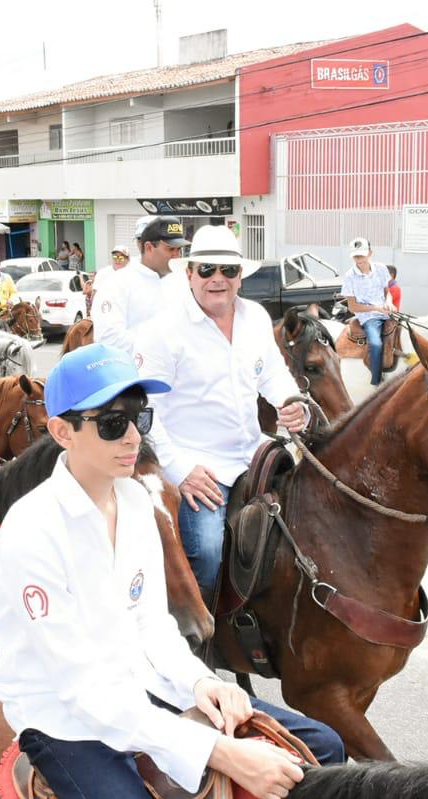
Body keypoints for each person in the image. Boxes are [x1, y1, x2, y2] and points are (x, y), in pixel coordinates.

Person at [0, 343, 341, 799]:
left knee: (325, 747)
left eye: (140, 417)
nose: (134, 437)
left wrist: (203, 683)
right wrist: (220, 752)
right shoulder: (31, 531)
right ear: (61, 431)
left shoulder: (135, 502)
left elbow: (152, 625)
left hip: (144, 686)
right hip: (65, 716)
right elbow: (81, 689)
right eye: (113, 424)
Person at [134, 225, 309, 599]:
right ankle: (195, 642)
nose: (218, 279)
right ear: (189, 274)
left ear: (240, 276)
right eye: (207, 270)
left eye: (228, 271)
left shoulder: (257, 318)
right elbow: (144, 409)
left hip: (253, 455)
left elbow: (273, 375)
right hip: (198, 466)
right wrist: (180, 471)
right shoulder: (163, 331)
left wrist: (294, 404)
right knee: (209, 553)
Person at [92, 215, 191, 356]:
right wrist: (162, 346)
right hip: (133, 374)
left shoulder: (180, 281)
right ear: (149, 247)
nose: (176, 255)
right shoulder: (117, 284)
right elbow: (109, 339)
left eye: (178, 249)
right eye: (170, 249)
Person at [341, 237, 394, 387]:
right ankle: (376, 381)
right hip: (369, 317)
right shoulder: (349, 276)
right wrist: (376, 308)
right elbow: (353, 307)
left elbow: (387, 292)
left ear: (370, 253)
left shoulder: (381, 269)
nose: (359, 259)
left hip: (387, 312)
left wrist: (389, 302)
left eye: (362, 255)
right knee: (376, 344)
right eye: (356, 256)